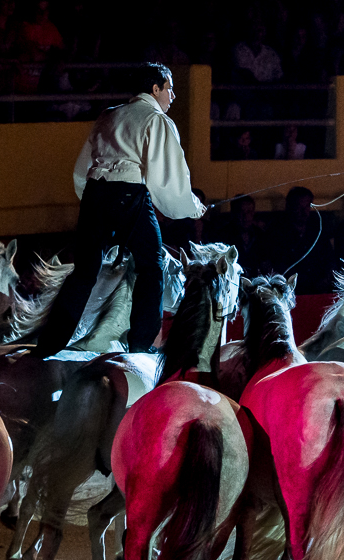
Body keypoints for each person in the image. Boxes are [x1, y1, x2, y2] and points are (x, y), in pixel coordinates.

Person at [33, 63, 204, 357]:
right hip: (129, 195)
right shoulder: (156, 120)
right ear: (155, 89)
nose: (173, 95)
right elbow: (165, 179)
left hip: (94, 195)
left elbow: (82, 169)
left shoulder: (107, 115)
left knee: (84, 272)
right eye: (169, 88)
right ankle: (140, 345)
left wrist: (92, 200)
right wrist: (192, 207)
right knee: (151, 268)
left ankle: (48, 344)